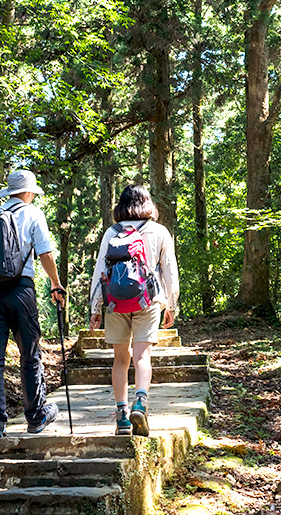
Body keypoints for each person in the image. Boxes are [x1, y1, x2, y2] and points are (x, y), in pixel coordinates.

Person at [0, 169, 66, 438]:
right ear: (28, 192)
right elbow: (46, 253)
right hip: (20, 291)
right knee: (29, 354)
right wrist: (55, 283)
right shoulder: (33, 214)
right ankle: (36, 416)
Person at [89, 185, 179, 437]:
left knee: (120, 359)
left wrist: (96, 307)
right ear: (147, 203)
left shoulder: (111, 232)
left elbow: (100, 271)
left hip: (115, 302)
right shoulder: (159, 231)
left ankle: (121, 415)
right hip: (147, 301)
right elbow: (169, 270)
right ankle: (140, 403)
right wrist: (170, 304)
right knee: (142, 356)